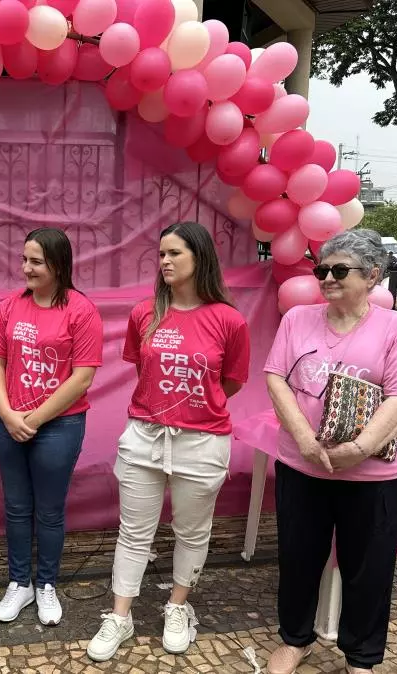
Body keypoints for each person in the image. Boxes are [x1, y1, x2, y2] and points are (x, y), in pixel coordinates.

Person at [263, 228, 397, 674]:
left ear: (372, 275)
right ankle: (295, 639)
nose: (327, 278)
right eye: (321, 270)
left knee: (368, 570)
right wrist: (302, 438)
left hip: (370, 477)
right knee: (297, 559)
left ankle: (362, 657)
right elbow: (276, 376)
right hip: (302, 467)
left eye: (339, 270)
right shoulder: (297, 319)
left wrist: (359, 448)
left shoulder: (395, 329)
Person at [87, 221, 250, 662]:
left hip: (203, 442)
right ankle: (120, 616)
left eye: (174, 253)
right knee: (133, 531)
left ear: (200, 257)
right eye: (161, 254)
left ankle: (178, 606)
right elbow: (146, 373)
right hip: (144, 436)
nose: (164, 262)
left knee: (192, 532)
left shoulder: (229, 320)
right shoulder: (145, 313)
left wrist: (193, 408)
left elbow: (230, 382)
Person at [0, 227, 103, 626]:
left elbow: (82, 377)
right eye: (24, 260)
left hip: (59, 427)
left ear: (57, 264)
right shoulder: (11, 306)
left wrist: (33, 419)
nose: (26, 268)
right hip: (11, 421)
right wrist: (6, 414)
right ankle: (19, 584)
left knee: (49, 512)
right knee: (17, 508)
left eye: (35, 261)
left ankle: (45, 585)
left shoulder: (80, 310)